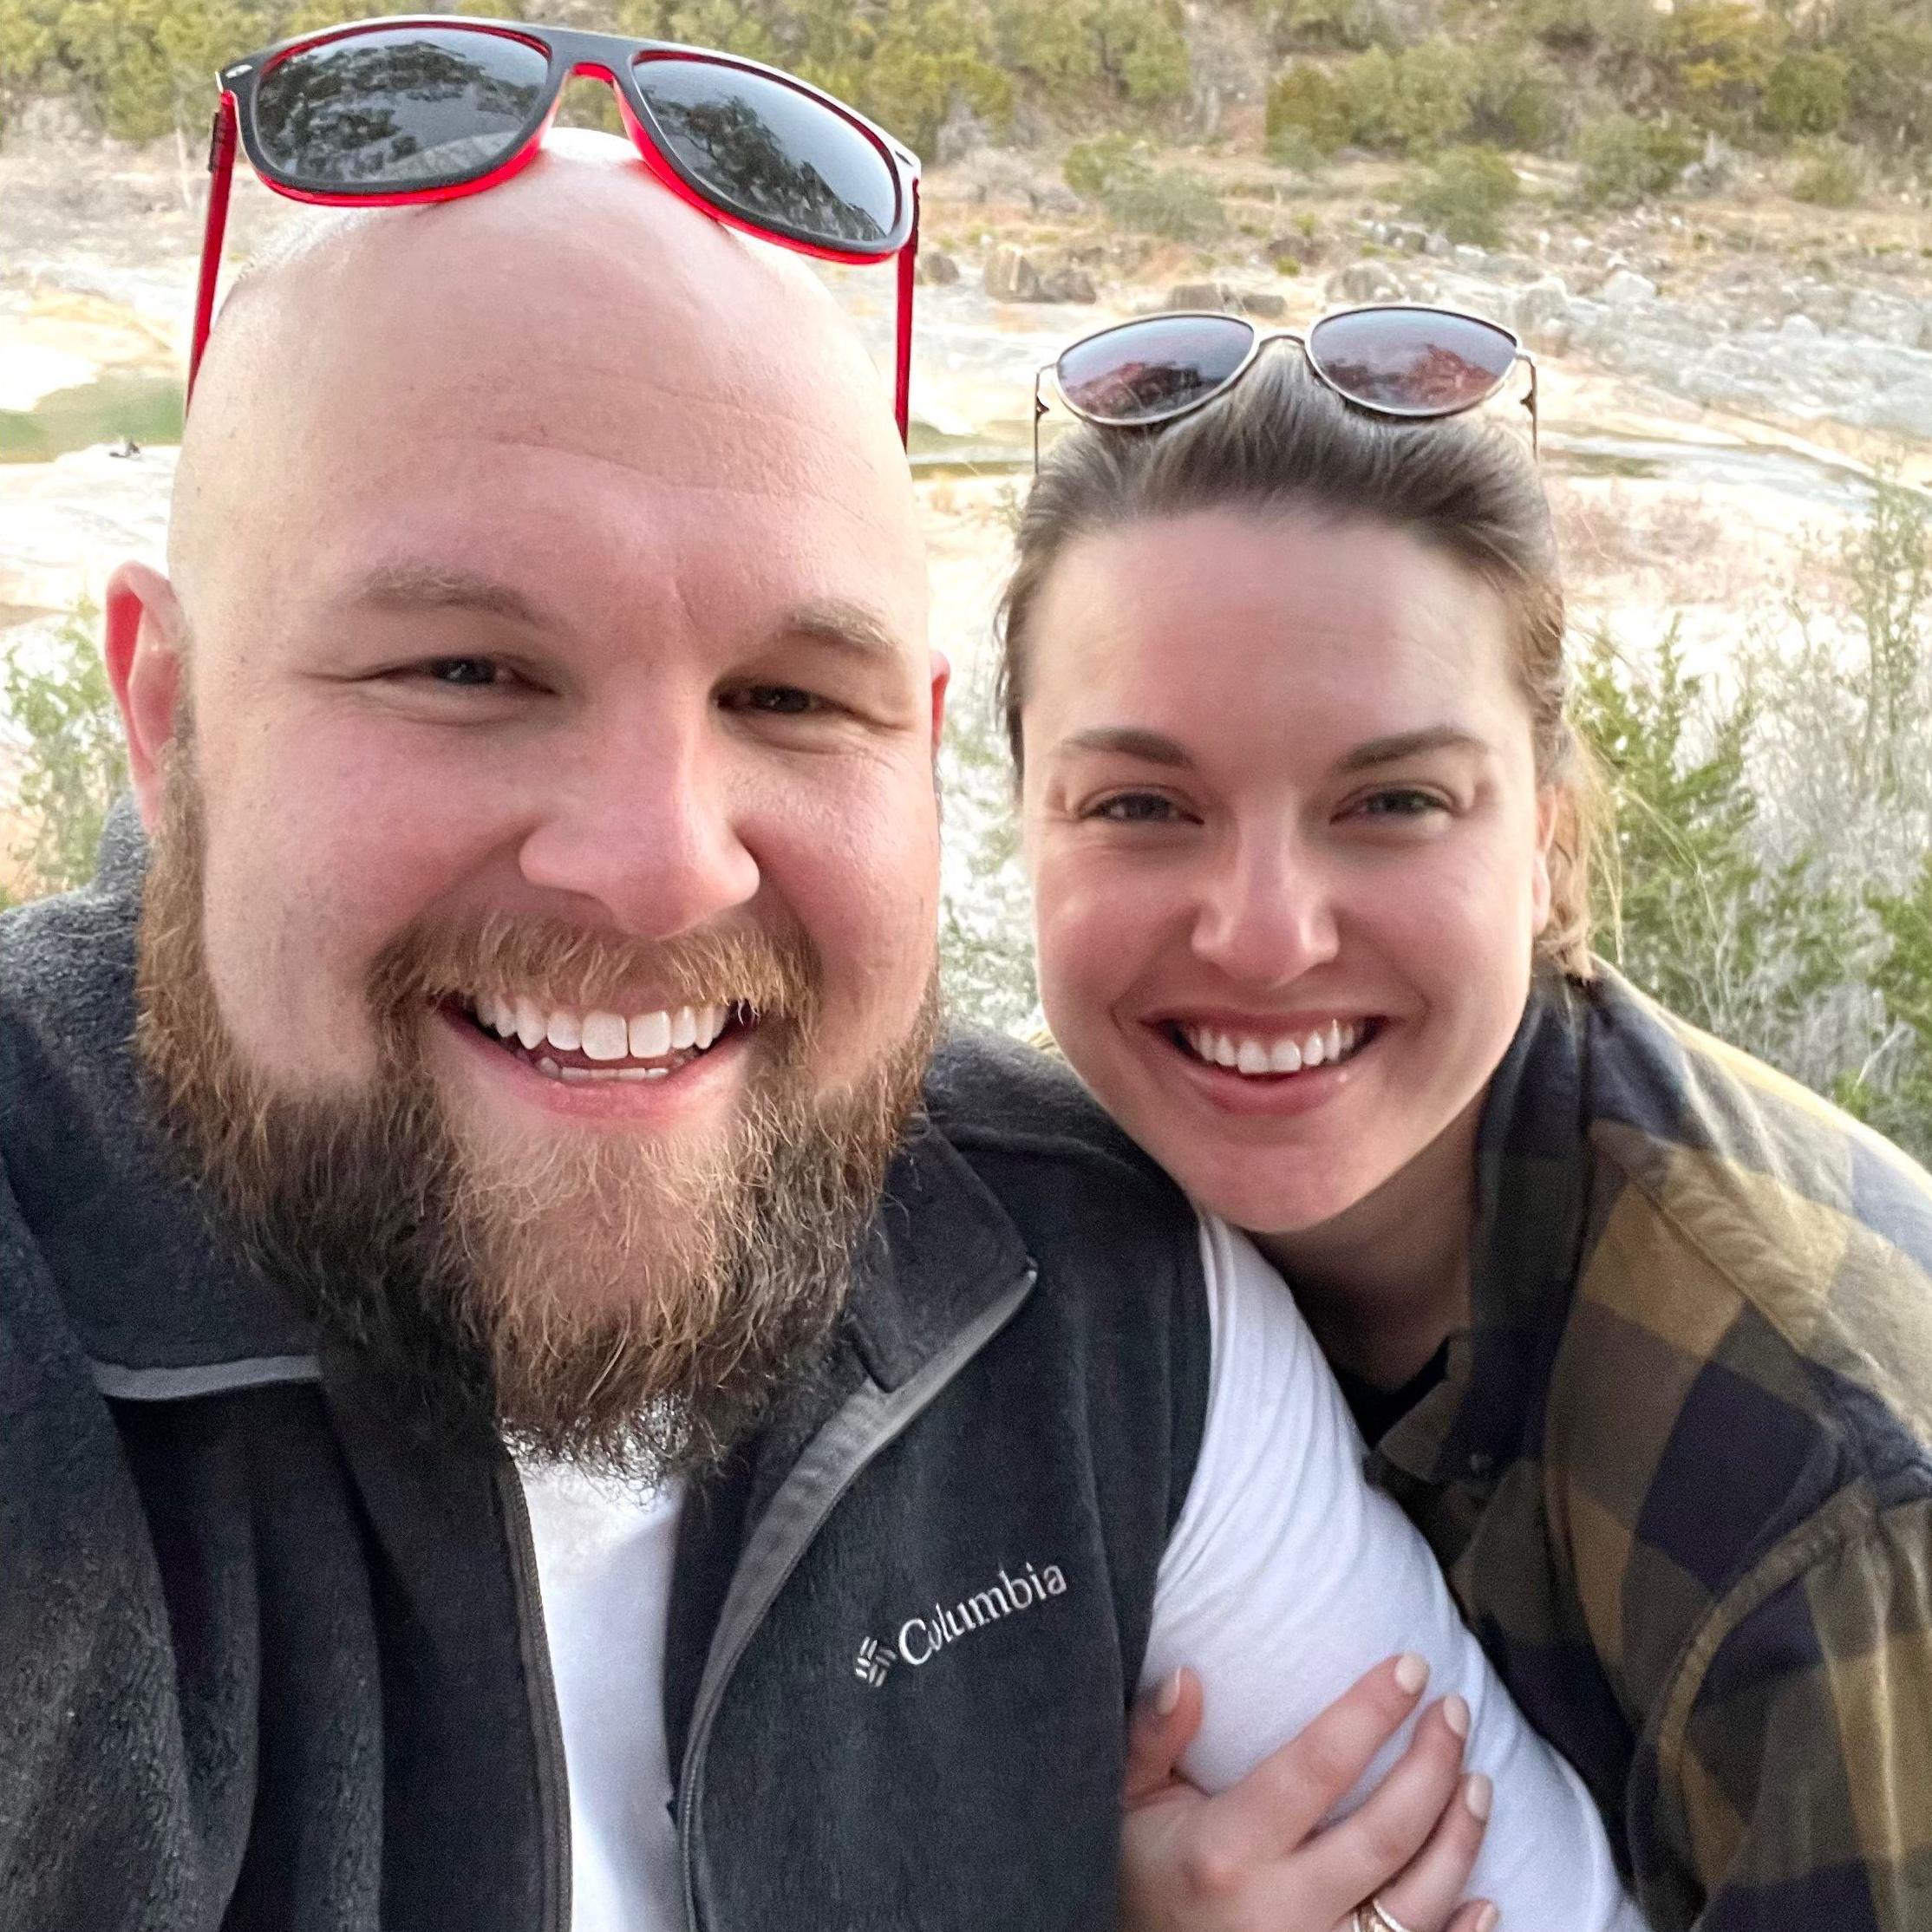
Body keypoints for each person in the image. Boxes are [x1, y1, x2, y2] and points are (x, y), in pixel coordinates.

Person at [0, 113, 1652, 1932]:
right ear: (168, 721)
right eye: (466, 669)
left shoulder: (1091, 1304)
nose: (658, 864)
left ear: (922, 744)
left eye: (790, 694)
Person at [999, 320, 1932, 1929]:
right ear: (1024, 818)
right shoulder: (1013, 1233)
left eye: (1392, 802)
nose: (1265, 936)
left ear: (1551, 850)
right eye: (1143, 806)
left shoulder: (1812, 1512)